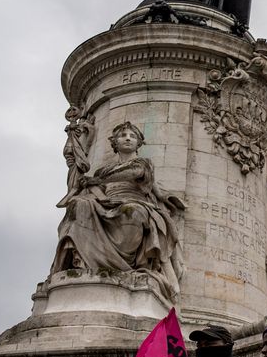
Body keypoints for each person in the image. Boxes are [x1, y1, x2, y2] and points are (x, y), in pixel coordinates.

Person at [50, 121, 186, 303]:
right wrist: (83, 173)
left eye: (132, 136)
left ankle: (127, 266)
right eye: (123, 136)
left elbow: (133, 172)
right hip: (106, 204)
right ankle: (82, 264)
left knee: (133, 211)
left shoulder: (143, 164)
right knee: (79, 204)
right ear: (114, 142)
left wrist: (96, 180)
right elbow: (87, 189)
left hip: (134, 202)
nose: (127, 139)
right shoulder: (103, 170)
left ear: (139, 143)